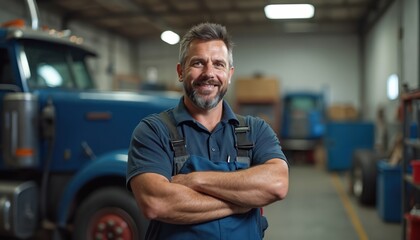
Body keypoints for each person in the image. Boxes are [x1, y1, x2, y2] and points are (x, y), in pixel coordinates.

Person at [126, 22, 289, 240]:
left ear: (229, 74)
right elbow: (156, 203)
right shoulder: (154, 131)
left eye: (218, 64)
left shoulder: (255, 130)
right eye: (198, 63)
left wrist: (195, 180)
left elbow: (277, 184)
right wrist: (241, 201)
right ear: (180, 71)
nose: (209, 73)